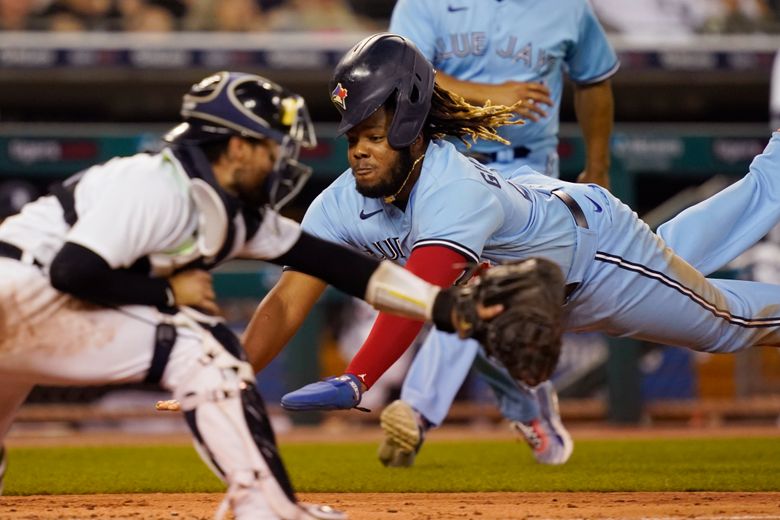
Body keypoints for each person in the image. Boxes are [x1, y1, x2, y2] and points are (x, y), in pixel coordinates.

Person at [247, 33, 780, 471]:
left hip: (595, 261)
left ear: (409, 126)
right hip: (540, 256)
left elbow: (421, 291)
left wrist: (358, 376)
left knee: (722, 322)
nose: (359, 149)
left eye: (374, 134)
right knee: (672, 263)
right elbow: (288, 300)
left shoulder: (450, 187)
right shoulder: (341, 201)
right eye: (351, 135)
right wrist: (234, 374)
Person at [0, 70, 505, 519]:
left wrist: (440, 305)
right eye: (270, 146)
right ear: (237, 147)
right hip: (21, 293)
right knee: (207, 349)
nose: (279, 159)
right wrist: (167, 293)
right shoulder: (154, 183)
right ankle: (265, 507)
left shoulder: (231, 207)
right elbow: (71, 270)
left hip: (27, 307)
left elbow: (339, 266)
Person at [377, 0, 619, 467]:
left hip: (532, 174)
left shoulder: (567, 6)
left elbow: (594, 81)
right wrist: (488, 95)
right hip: (448, 166)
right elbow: (401, 71)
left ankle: (423, 411)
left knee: (486, 294)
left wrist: (600, 165)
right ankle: (513, 406)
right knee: (476, 292)